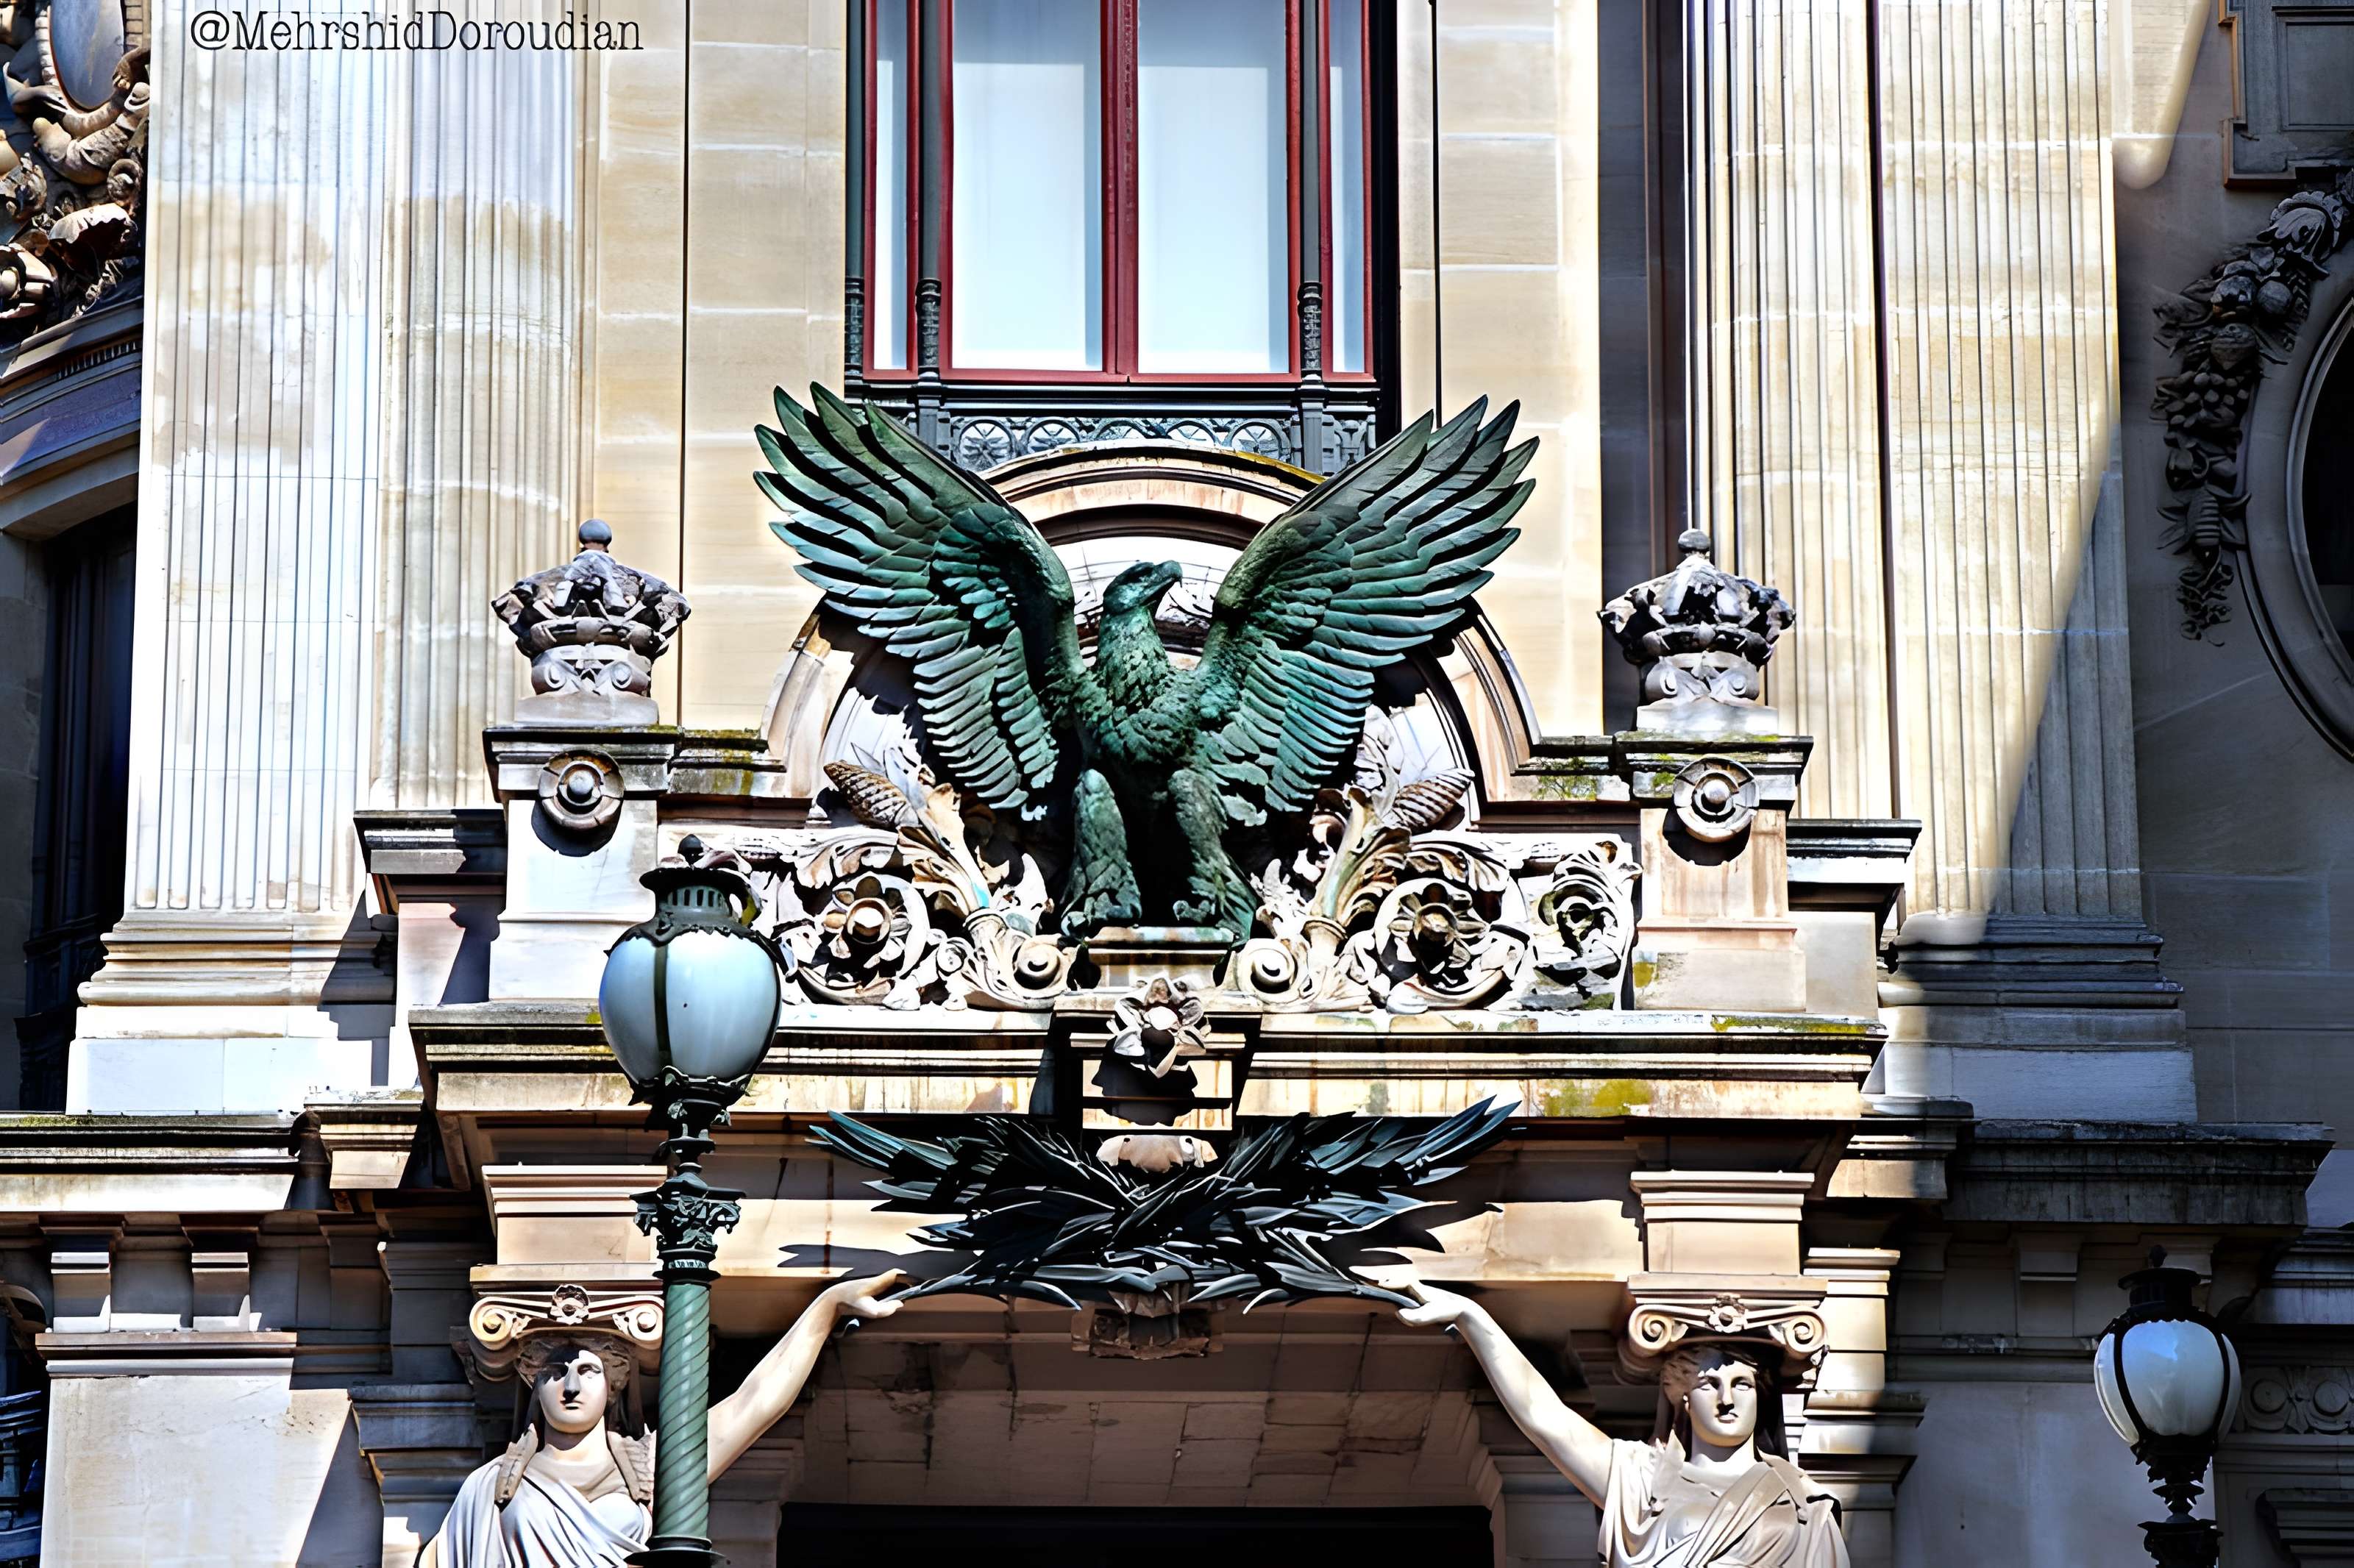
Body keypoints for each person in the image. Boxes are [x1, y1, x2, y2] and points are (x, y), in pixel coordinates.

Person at [422, 1272, 903, 1567]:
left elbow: (753, 1404)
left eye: (587, 1370)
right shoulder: (489, 1489)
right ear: (533, 1383)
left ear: (613, 1384)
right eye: (554, 1371)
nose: (570, 1386)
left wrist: (828, 1306)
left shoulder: (654, 1470)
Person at [1398, 1282, 1849, 1568]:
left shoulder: (1804, 1501)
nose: (1728, 1399)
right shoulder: (1638, 1478)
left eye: (1743, 1385)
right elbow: (1544, 1417)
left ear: (1761, 1395)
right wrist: (1473, 1318)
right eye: (1710, 1384)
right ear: (1684, 1401)